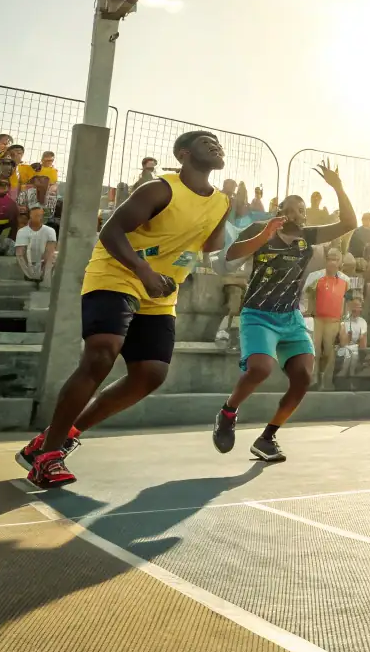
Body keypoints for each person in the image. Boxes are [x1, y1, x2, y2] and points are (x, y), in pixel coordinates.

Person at [18, 131, 229, 488]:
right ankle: (48, 457)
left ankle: (60, 434)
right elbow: (111, 232)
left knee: (150, 374)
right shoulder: (160, 189)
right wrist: (144, 270)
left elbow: (212, 244)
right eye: (205, 141)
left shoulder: (221, 201)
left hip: (160, 289)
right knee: (101, 354)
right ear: (183, 154)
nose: (215, 144)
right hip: (118, 272)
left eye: (217, 142)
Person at [212, 162, 356, 462]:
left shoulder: (308, 237)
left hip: (289, 317)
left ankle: (267, 438)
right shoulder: (261, 230)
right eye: (291, 209)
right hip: (258, 314)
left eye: (301, 210)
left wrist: (338, 187)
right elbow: (230, 256)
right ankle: (228, 413)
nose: (297, 214)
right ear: (280, 211)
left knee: (303, 377)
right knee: (260, 369)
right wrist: (265, 233)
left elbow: (349, 223)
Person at [310, 245, 350, 389]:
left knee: (328, 351)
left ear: (340, 262)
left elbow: (348, 301)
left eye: (336, 259)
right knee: (315, 349)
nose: (332, 262)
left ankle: (322, 377)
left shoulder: (346, 280)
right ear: (325, 260)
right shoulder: (315, 277)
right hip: (317, 319)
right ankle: (313, 379)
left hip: (334, 320)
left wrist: (344, 322)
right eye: (330, 259)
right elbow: (305, 295)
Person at [15, 205, 58, 282]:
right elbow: (21, 254)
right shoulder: (22, 232)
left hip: (44, 263)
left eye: (41, 215)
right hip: (29, 262)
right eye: (36, 215)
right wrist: (29, 273)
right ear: (30, 216)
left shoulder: (50, 231)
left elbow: (49, 252)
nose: (39, 218)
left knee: (55, 255)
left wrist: (42, 271)